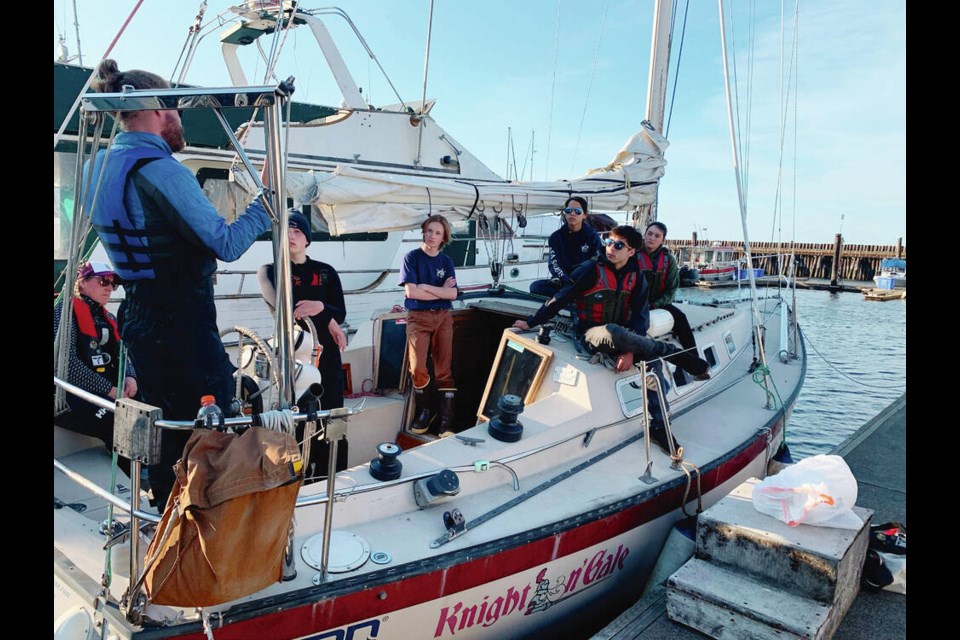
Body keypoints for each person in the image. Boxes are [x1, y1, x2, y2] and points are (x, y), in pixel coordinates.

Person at [85, 59, 271, 510]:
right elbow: (225, 244)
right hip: (184, 325)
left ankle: (164, 511)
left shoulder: (96, 167)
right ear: (157, 109)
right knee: (214, 422)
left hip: (140, 319)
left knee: (165, 424)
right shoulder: (164, 170)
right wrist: (265, 206)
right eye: (177, 110)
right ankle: (208, 525)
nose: (181, 120)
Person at [512, 225, 710, 453]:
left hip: (625, 337)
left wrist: (630, 352)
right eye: (609, 242)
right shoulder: (590, 271)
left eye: (618, 245)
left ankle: (660, 428)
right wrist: (531, 322)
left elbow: (640, 318)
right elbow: (560, 298)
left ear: (631, 252)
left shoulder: (636, 278)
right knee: (616, 331)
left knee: (652, 366)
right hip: (591, 334)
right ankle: (676, 355)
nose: (610, 248)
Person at [258, 209, 349, 480]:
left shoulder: (326, 272)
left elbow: (340, 312)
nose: (291, 236)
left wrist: (321, 307)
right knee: (296, 421)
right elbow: (286, 307)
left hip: (326, 357)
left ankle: (333, 477)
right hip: (293, 358)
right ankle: (295, 480)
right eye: (285, 231)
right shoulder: (270, 271)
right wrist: (327, 316)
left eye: (297, 231)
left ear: (307, 239)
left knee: (332, 416)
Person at [53, 261, 138, 476]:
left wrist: (129, 376)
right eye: (103, 281)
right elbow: (66, 365)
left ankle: (150, 477)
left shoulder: (107, 317)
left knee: (152, 406)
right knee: (120, 423)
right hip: (66, 397)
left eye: (113, 283)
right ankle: (132, 484)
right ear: (81, 284)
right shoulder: (62, 314)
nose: (109, 287)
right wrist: (109, 391)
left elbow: (123, 353)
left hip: (105, 391)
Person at [399, 214, 459, 438]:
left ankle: (446, 420)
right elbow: (411, 292)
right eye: (430, 231)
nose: (433, 236)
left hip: (443, 316)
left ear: (443, 238)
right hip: (418, 318)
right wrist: (439, 290)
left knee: (444, 368)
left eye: (438, 233)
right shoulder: (411, 257)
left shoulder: (446, 262)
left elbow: (452, 293)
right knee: (418, 368)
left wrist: (427, 287)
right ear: (423, 232)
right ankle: (426, 408)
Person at [637, 221, 699, 354]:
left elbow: (671, 289)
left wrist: (656, 304)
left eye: (657, 236)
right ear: (645, 234)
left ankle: (694, 358)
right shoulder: (632, 254)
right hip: (635, 302)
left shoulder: (668, 260)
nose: (652, 238)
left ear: (663, 240)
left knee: (680, 318)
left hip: (658, 302)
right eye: (650, 234)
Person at [529, 196, 603, 298]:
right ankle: (569, 296)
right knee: (535, 287)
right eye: (568, 210)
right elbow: (554, 264)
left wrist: (580, 281)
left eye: (577, 211)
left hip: (584, 282)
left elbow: (597, 262)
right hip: (564, 281)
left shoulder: (592, 237)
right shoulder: (556, 237)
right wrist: (566, 279)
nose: (572, 214)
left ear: (584, 215)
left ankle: (569, 297)